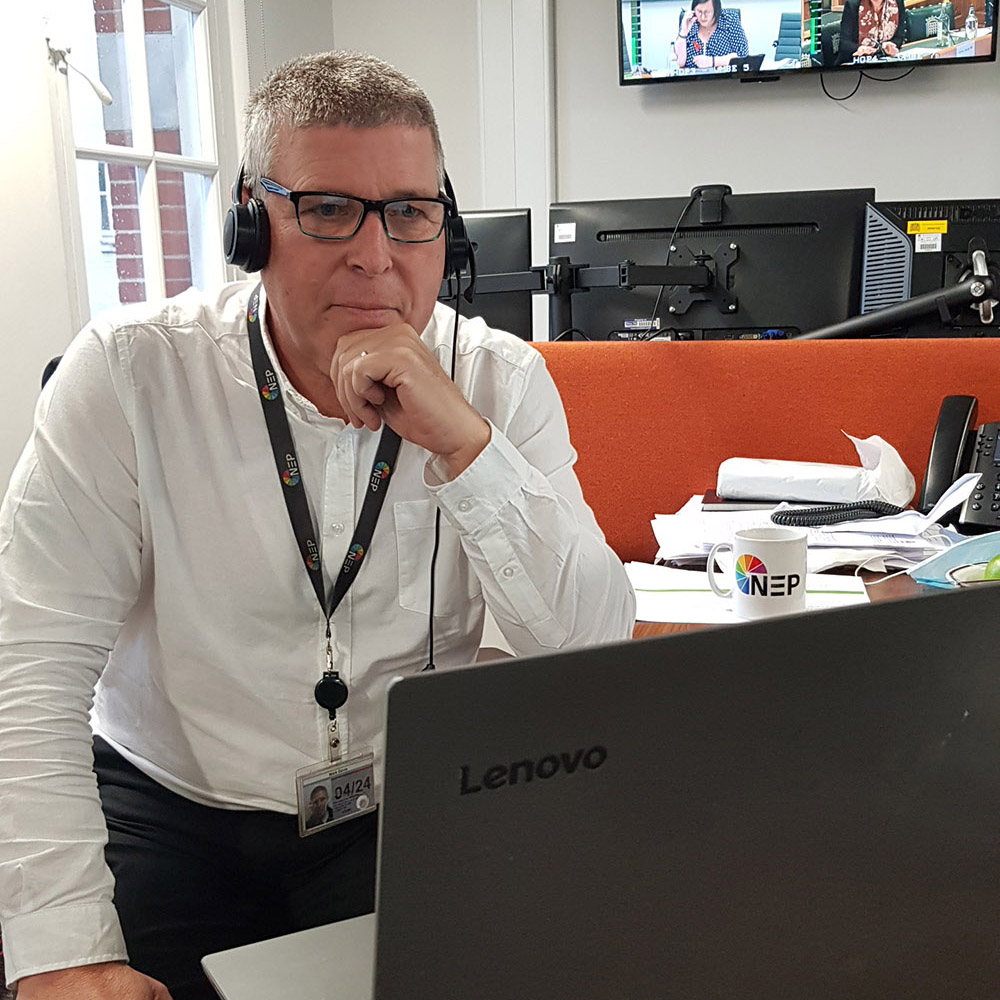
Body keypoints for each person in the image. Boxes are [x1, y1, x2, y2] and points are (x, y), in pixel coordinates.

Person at [0, 50, 635, 1000]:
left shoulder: (499, 381)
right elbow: (31, 665)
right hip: (167, 808)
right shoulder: (130, 373)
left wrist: (466, 447)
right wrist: (61, 949)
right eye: (329, 209)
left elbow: (590, 647)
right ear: (250, 226)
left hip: (396, 807)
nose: (375, 256)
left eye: (410, 213)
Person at [673, 0, 749, 70]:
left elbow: (743, 55)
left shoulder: (729, 20)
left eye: (707, 12)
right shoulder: (689, 21)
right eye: (699, 11)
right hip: (692, 79)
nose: (703, 17)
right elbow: (680, 63)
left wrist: (713, 61)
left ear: (716, 11)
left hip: (725, 78)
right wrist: (684, 32)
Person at [836, 0, 909, 64]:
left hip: (885, 61)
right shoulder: (853, 5)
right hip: (854, 63)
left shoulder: (897, 2)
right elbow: (845, 44)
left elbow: (899, 37)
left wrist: (889, 45)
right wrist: (859, 48)